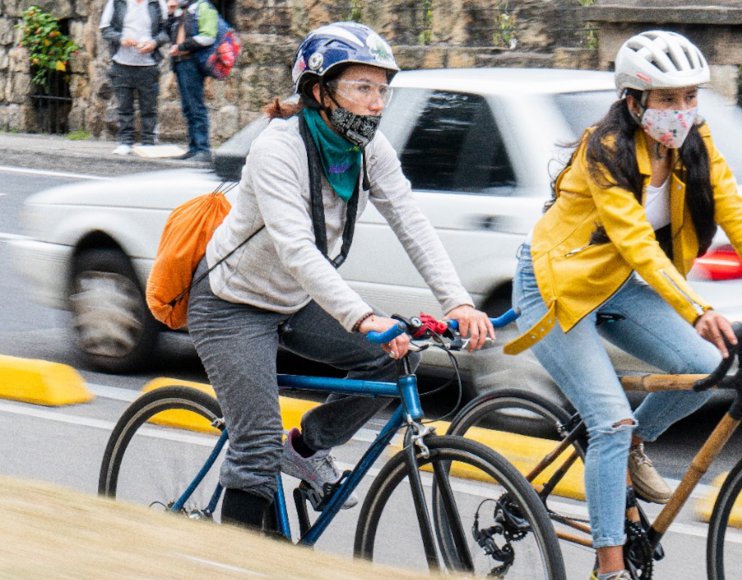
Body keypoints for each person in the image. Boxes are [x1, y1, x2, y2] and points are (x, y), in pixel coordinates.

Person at [502, 30, 742, 580]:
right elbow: (635, 241)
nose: (682, 110)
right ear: (634, 101)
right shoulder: (604, 152)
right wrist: (697, 310)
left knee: (704, 367)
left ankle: (631, 444)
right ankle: (609, 566)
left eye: (689, 97)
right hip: (554, 288)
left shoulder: (696, 143)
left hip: (618, 285)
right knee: (606, 422)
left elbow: (740, 219)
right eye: (667, 98)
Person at [186, 22, 494, 532]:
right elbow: (298, 251)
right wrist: (362, 317)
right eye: (362, 88)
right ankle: (229, 558)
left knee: (397, 359)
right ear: (318, 92)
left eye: (382, 90)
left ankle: (305, 448)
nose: (377, 103)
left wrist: (457, 301)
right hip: (230, 303)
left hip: (294, 300)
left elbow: (412, 224)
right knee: (257, 446)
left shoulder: (370, 151)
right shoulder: (277, 150)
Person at [99, 0, 168, 156]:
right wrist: (121, 38)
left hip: (148, 63)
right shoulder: (117, 2)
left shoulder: (157, 3)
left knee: (149, 107)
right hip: (121, 62)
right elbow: (105, 29)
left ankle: (148, 142)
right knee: (124, 106)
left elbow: (166, 30)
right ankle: (125, 141)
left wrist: (154, 43)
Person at [165, 0, 216, 162]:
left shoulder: (204, 7)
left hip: (193, 62)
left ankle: (202, 148)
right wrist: (171, 15)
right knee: (188, 107)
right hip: (181, 62)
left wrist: (181, 47)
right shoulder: (183, 11)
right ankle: (193, 147)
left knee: (196, 106)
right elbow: (170, 34)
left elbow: (208, 37)